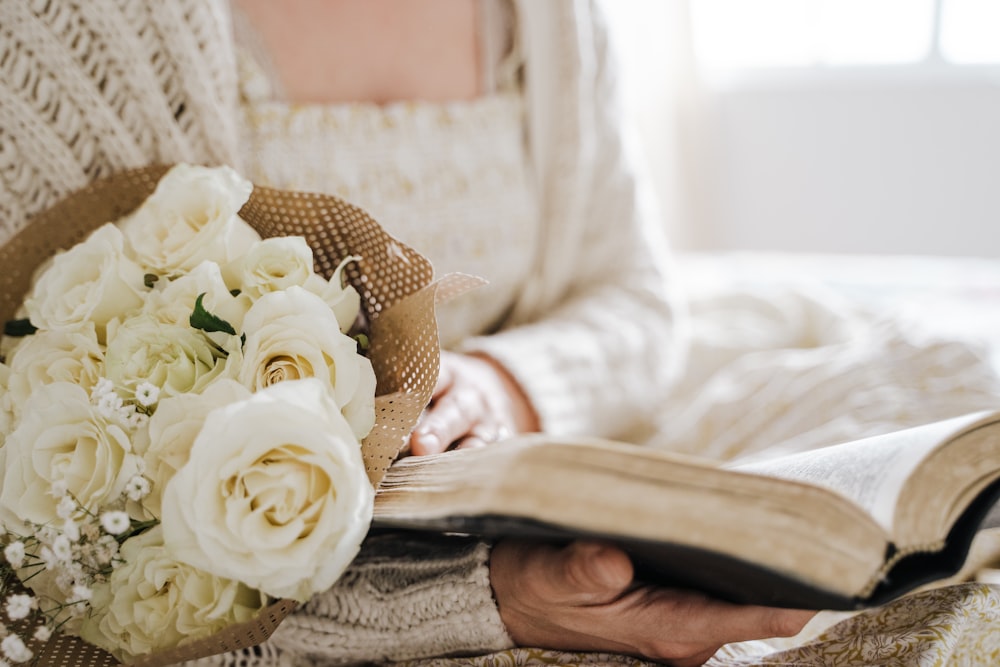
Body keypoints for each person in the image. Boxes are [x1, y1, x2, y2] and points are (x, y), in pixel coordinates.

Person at [0, 0, 814, 664]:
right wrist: (482, 594)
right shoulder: (72, 27)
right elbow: (66, 540)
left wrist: (507, 382)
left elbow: (632, 295)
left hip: (516, 496)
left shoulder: (554, 21)